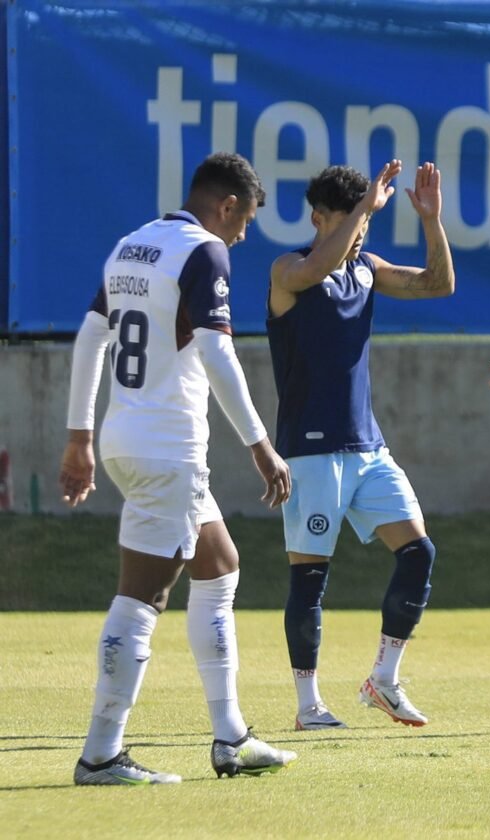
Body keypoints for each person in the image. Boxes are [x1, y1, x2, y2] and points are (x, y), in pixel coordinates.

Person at [59, 152, 299, 784]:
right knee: (143, 595)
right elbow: (218, 354)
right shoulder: (204, 252)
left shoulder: (132, 245)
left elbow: (90, 337)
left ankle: (231, 738)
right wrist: (259, 443)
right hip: (168, 449)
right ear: (226, 206)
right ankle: (100, 755)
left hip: (124, 437)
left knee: (219, 565)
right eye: (244, 220)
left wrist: (79, 437)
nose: (243, 235)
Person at [267, 160, 455, 730]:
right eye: (350, 219)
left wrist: (431, 220)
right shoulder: (289, 269)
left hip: (368, 448)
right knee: (310, 579)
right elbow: (319, 264)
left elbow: (438, 284)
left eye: (367, 221)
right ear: (319, 217)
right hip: (310, 451)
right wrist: (362, 211)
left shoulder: (367, 268)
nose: (362, 231)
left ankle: (384, 680)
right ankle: (308, 708)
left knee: (419, 552)